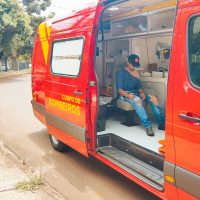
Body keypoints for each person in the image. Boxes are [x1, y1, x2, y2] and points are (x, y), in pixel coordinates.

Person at [116, 54, 165, 136]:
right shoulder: (121, 73)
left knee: (153, 99)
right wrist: (129, 96)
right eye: (133, 65)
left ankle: (161, 123)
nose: (134, 67)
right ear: (128, 63)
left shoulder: (135, 73)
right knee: (137, 100)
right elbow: (120, 90)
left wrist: (142, 93)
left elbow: (139, 87)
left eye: (136, 65)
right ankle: (148, 126)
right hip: (125, 94)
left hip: (136, 92)